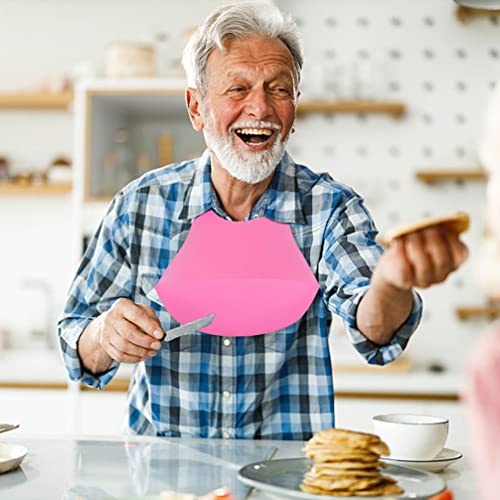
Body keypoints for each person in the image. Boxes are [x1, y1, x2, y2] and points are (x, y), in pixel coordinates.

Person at [58, 2, 468, 440]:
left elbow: (376, 330)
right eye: (237, 89)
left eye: (279, 89)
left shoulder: (330, 210)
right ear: (196, 108)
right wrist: (106, 334)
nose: (261, 109)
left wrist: (391, 281)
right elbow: (75, 344)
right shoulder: (140, 206)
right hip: (165, 479)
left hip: (286, 478)